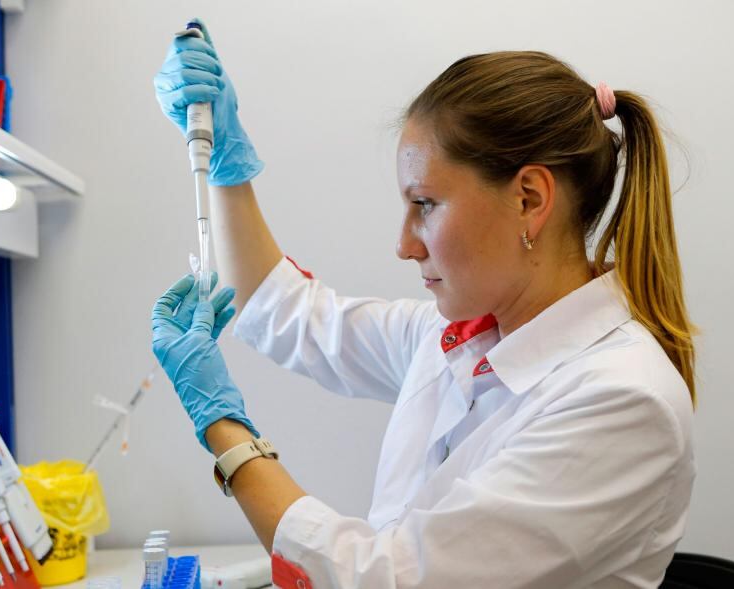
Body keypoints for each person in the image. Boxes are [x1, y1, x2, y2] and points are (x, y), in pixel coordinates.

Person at [151, 20, 696, 589]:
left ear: (529, 199)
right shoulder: (462, 338)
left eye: (426, 204)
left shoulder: (620, 399)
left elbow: (388, 580)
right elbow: (286, 311)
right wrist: (225, 163)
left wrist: (222, 425)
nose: (404, 244)